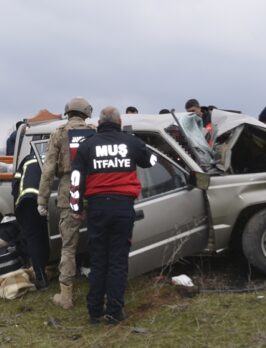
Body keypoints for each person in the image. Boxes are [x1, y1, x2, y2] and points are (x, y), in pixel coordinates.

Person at [69, 106, 156, 324]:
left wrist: (76, 208)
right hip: (122, 207)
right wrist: (146, 148)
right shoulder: (131, 142)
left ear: (98, 124)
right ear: (119, 123)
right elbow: (151, 161)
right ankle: (115, 311)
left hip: (97, 209)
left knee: (99, 261)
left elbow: (76, 178)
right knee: (117, 261)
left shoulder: (86, 145)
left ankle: (95, 311)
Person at [37, 96, 96, 309]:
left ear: (68, 112)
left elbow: (48, 169)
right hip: (92, 190)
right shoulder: (94, 132)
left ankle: (66, 296)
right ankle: (100, 289)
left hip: (67, 191)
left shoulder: (59, 134)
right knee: (99, 243)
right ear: (86, 113)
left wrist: (42, 199)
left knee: (68, 247)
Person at [12, 149, 50, 290]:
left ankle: (41, 278)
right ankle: (43, 274)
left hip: (26, 201)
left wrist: (19, 214)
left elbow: (15, 183)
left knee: (34, 239)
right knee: (42, 236)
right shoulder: (54, 156)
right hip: (42, 199)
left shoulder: (28, 158)